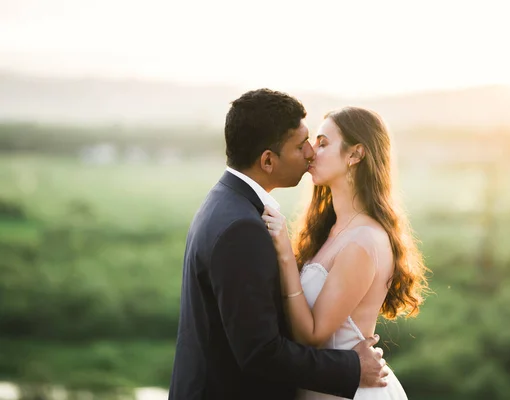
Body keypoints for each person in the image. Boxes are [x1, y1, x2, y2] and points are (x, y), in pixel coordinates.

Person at [168, 90, 389, 400]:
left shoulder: (224, 202)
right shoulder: (242, 226)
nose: (310, 153)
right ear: (268, 160)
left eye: (319, 143)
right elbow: (260, 351)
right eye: (303, 146)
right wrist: (351, 368)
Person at [262, 106, 430, 399]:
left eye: (323, 142)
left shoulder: (363, 241)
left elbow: (312, 335)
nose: (311, 151)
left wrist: (285, 253)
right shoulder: (332, 230)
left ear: (355, 154)